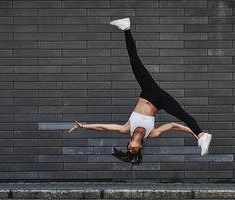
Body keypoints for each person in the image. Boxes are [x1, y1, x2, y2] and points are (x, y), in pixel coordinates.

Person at [68, 18, 212, 165]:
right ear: (140, 147)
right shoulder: (152, 133)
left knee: (134, 61)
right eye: (133, 151)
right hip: (160, 100)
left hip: (148, 91)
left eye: (129, 149)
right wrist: (193, 133)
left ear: (128, 144)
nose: (131, 149)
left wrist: (83, 126)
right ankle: (202, 136)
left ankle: (126, 28)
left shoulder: (126, 128)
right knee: (184, 115)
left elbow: (103, 127)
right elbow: (173, 126)